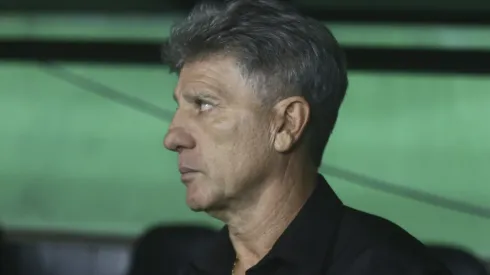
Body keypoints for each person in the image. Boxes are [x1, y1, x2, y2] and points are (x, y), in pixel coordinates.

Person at [162, 0, 452, 274]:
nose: (172, 138)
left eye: (204, 104)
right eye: (180, 106)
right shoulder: (198, 266)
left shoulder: (391, 268)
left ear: (287, 124)